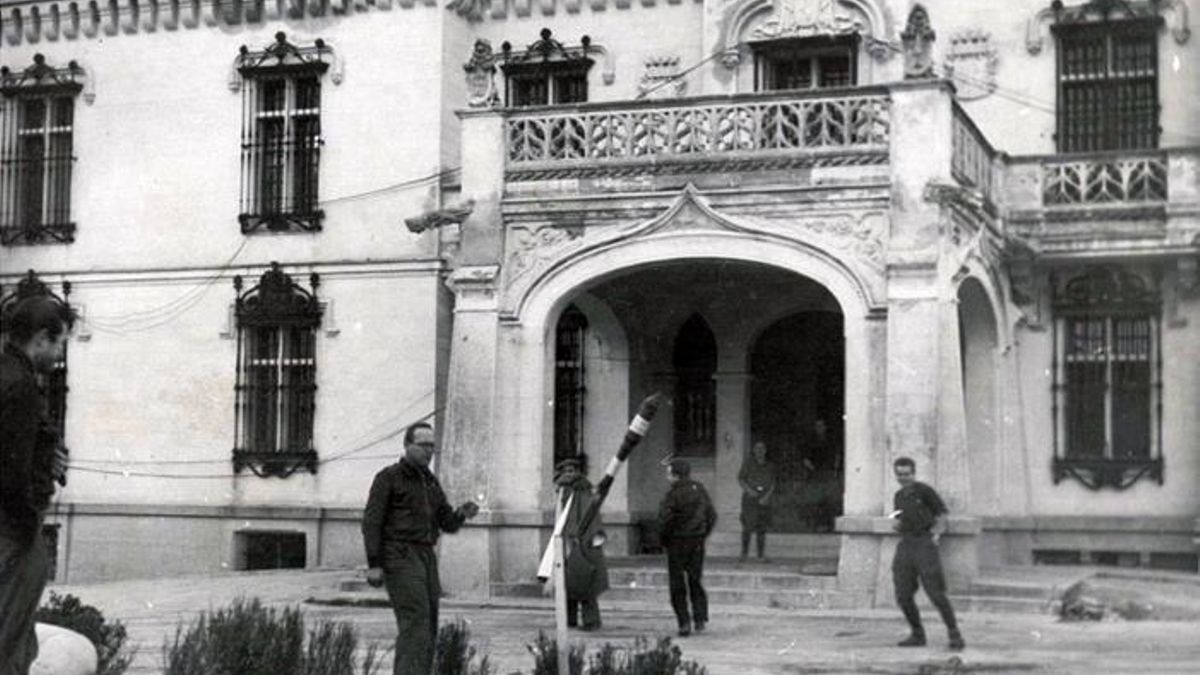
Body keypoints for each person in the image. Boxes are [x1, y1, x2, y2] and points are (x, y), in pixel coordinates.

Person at [362, 422, 480, 675]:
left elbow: (446, 522)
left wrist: (461, 513)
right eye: (423, 445)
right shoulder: (388, 478)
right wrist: (374, 564)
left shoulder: (430, 482)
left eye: (432, 447)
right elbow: (372, 522)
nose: (429, 451)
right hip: (400, 555)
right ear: (407, 446)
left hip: (426, 557)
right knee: (415, 622)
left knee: (429, 626)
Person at [0, 295, 74, 675]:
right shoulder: (22, 386)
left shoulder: (8, 372)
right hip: (13, 532)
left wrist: (47, 452)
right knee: (10, 643)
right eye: (59, 342)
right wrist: (30, 529)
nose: (59, 353)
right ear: (42, 339)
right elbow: (11, 472)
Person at [890, 456, 965, 651]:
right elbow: (899, 517)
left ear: (913, 473)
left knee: (935, 593)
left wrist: (936, 536)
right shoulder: (898, 496)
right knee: (903, 594)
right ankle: (917, 634)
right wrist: (897, 524)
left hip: (924, 543)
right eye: (899, 474)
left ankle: (954, 634)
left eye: (907, 474)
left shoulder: (924, 491)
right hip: (906, 544)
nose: (903, 478)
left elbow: (941, 514)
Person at [658, 459, 716, 637]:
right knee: (695, 580)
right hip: (696, 542)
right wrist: (702, 534)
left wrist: (664, 540)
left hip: (677, 542)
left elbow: (665, 520)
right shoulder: (699, 490)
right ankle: (699, 619)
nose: (667, 476)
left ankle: (684, 622)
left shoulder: (672, 494)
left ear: (676, 474)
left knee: (677, 584)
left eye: (669, 472)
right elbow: (711, 515)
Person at [554, 455, 609, 630]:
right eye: (566, 471)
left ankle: (591, 620)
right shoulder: (562, 490)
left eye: (572, 471)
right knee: (568, 581)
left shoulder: (583, 490)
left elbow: (588, 515)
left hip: (582, 541)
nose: (569, 474)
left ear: (577, 472)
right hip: (564, 540)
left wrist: (581, 537)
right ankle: (569, 619)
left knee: (585, 580)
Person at [737, 440, 775, 562]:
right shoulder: (748, 464)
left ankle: (760, 555)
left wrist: (767, 496)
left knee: (761, 528)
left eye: (762, 448)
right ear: (753, 451)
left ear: (765, 451)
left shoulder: (769, 465)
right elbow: (741, 479)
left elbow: (773, 483)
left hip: (764, 499)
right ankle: (744, 554)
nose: (759, 451)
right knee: (747, 527)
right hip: (750, 499)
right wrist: (749, 491)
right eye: (757, 448)